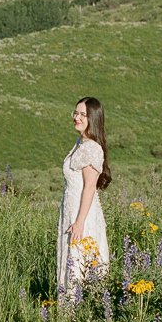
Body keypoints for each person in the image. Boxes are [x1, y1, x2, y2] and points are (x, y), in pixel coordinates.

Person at [57, 96, 111, 296]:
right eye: (76, 113)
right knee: (70, 260)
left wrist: (79, 222)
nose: (76, 118)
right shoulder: (81, 142)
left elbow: (90, 187)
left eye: (83, 115)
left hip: (82, 214)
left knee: (79, 261)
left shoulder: (91, 148)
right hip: (71, 209)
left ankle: (77, 310)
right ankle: (67, 311)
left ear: (93, 119)